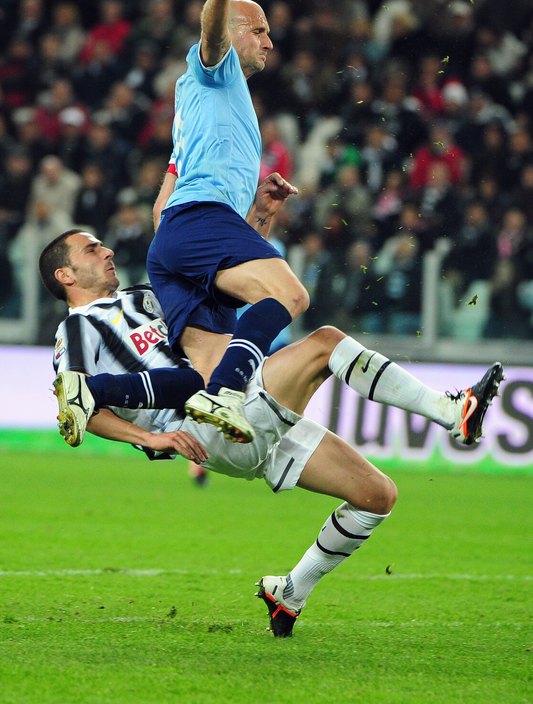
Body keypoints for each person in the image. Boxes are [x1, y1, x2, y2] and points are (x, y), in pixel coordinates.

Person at [39, 229, 503, 638]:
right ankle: (451, 410)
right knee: (325, 343)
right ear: (66, 275)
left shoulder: (144, 299)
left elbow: (216, 293)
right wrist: (151, 439)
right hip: (207, 422)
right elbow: (81, 406)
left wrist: (257, 220)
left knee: (377, 496)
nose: (108, 251)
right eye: (92, 248)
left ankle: (289, 593)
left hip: (240, 405)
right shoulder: (78, 328)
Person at [146, 0, 309, 444]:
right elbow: (212, 38)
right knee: (290, 296)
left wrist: (259, 213)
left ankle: (97, 390)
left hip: (176, 236)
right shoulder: (216, 70)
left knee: (203, 367)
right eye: (257, 30)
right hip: (197, 221)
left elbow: (162, 206)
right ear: (234, 33)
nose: (268, 40)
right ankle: (228, 393)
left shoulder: (195, 106)